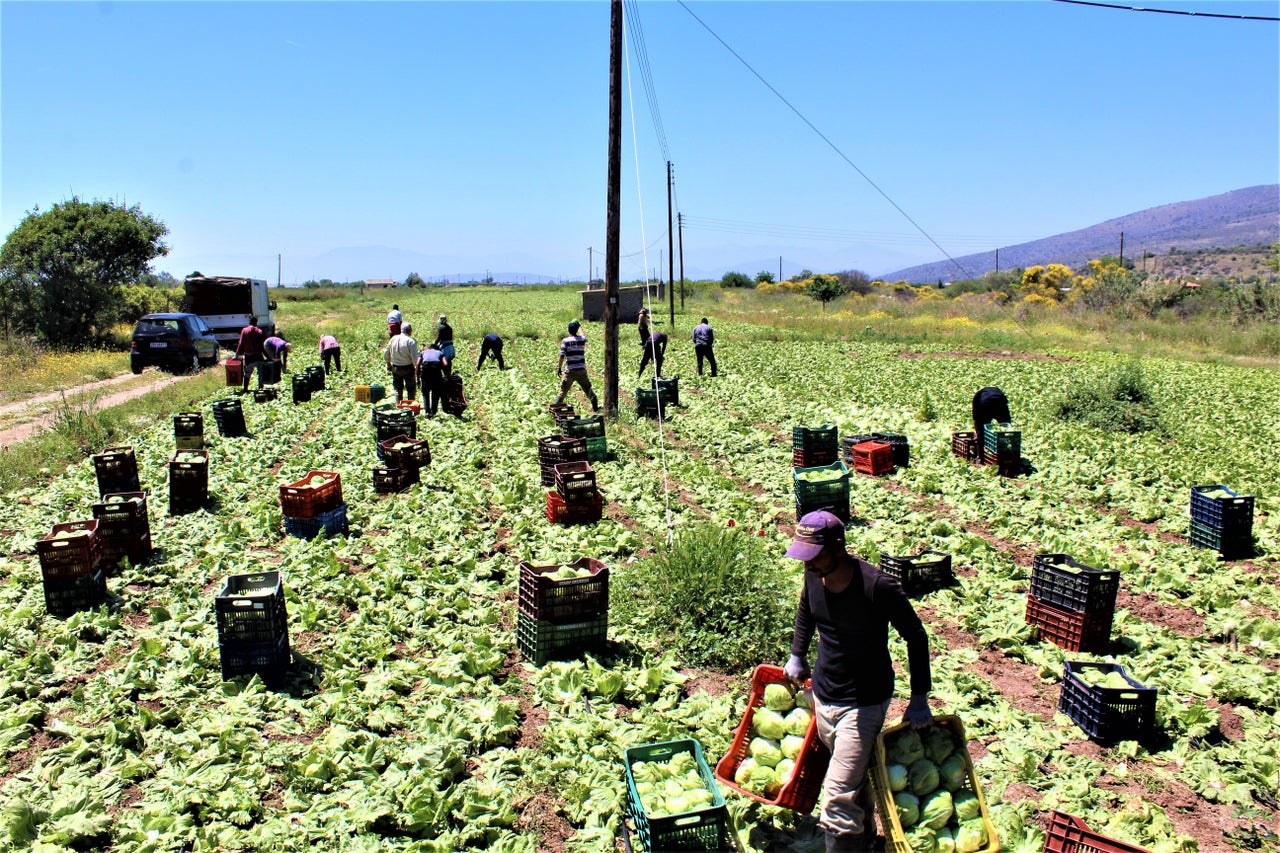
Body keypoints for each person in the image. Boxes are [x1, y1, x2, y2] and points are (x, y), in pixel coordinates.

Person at [784, 510, 934, 853]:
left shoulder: (876, 586)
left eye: (813, 555)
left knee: (836, 797)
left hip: (863, 702)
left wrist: (919, 697)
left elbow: (916, 636)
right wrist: (798, 653)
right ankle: (865, 841)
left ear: (838, 547)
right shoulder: (813, 574)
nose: (807, 564)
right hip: (824, 694)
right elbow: (806, 608)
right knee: (855, 779)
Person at [555, 320, 599, 413]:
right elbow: (583, 334)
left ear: (568, 330)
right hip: (581, 371)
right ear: (576, 329)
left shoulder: (565, 341)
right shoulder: (581, 340)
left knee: (563, 391)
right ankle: (596, 409)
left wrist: (559, 368)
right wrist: (580, 326)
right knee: (588, 389)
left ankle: (556, 410)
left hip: (570, 371)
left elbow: (562, 355)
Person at [383, 321, 419, 403]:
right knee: (411, 389)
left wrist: (388, 364)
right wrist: (416, 368)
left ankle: (399, 405)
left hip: (395, 367)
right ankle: (410, 406)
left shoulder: (393, 339)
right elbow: (414, 359)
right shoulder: (411, 341)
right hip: (408, 368)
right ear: (409, 330)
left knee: (398, 389)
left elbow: (386, 353)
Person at [971, 386, 1012, 456]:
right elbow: (1007, 422)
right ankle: (1008, 454)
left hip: (985, 404)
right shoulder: (982, 395)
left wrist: (978, 433)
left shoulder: (977, 397)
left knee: (981, 431)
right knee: (1006, 430)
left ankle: (980, 457)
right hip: (1000, 401)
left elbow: (977, 419)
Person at [234, 315, 266, 393]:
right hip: (257, 356)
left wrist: (237, 355)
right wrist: (267, 356)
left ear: (249, 322)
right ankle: (260, 389)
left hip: (248, 356)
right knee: (261, 373)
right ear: (256, 323)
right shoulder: (259, 331)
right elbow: (261, 346)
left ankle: (245, 389)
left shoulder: (244, 330)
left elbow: (241, 344)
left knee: (247, 373)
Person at [418, 343, 450, 416]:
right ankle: (434, 411)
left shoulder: (423, 352)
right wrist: (447, 375)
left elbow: (417, 364)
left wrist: (418, 378)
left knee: (425, 392)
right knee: (435, 391)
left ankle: (427, 411)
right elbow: (445, 364)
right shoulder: (439, 352)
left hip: (425, 370)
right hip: (436, 370)